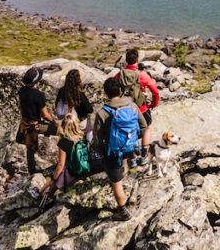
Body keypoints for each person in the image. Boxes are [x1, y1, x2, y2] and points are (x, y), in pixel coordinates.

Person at [90, 77, 147, 221]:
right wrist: (134, 138)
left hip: (112, 151)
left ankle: (123, 211)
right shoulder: (132, 105)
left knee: (116, 182)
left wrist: (102, 154)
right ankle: (123, 181)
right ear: (120, 90)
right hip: (129, 147)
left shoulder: (102, 113)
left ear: (105, 93)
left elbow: (97, 138)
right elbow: (144, 126)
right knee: (122, 167)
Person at [113, 48, 160, 166]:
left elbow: (113, 90)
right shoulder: (142, 75)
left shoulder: (119, 75)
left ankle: (132, 157)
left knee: (130, 129)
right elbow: (155, 92)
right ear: (137, 60)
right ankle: (144, 155)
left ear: (126, 60)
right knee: (147, 127)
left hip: (125, 109)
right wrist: (153, 104)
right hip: (141, 108)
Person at [16, 67, 56, 175]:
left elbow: (20, 106)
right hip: (36, 124)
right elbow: (46, 114)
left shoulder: (21, 91)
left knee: (30, 148)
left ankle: (31, 170)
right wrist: (56, 123)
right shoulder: (39, 95)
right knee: (58, 131)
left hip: (25, 123)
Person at [40, 112, 87, 196]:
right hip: (83, 166)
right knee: (49, 183)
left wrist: (54, 179)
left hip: (71, 170)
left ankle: (45, 199)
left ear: (63, 125)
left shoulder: (64, 142)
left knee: (46, 192)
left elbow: (61, 165)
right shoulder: (82, 137)